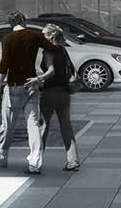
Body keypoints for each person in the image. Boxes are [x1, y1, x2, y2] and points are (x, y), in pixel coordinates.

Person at [0, 11, 60, 174]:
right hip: (31, 86)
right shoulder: (35, 35)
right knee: (33, 125)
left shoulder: (7, 39)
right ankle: (35, 162)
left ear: (11, 24)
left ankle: (1, 156)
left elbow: (4, 65)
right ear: (24, 20)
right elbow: (53, 48)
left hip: (13, 86)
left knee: (8, 125)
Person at [27, 25, 81, 171]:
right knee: (66, 125)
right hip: (64, 93)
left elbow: (51, 71)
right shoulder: (63, 50)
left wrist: (37, 79)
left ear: (51, 36)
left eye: (44, 34)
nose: (41, 37)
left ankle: (35, 164)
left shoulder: (49, 51)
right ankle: (73, 160)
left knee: (43, 127)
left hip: (50, 93)